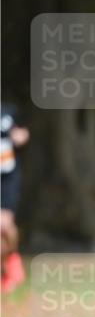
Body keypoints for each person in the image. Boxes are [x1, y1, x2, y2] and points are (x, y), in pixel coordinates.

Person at [1, 103, 30, 293]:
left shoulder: (8, 112)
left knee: (5, 225)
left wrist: (20, 137)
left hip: (7, 177)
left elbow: (24, 132)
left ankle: (11, 263)